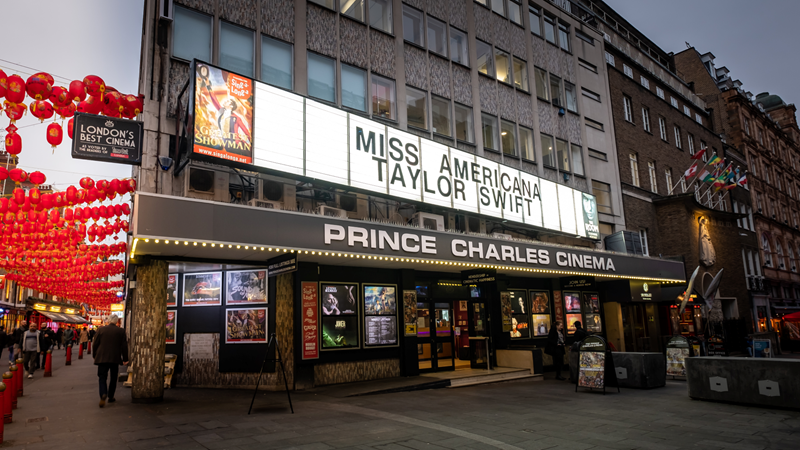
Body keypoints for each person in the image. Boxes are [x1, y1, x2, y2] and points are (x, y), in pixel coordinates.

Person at [93, 315, 129, 408]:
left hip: (102, 358)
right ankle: (111, 395)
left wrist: (94, 355)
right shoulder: (121, 331)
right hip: (115, 357)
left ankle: (103, 393)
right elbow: (124, 346)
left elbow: (95, 344)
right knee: (113, 377)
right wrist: (125, 359)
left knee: (102, 377)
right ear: (117, 321)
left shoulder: (101, 330)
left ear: (108, 321)